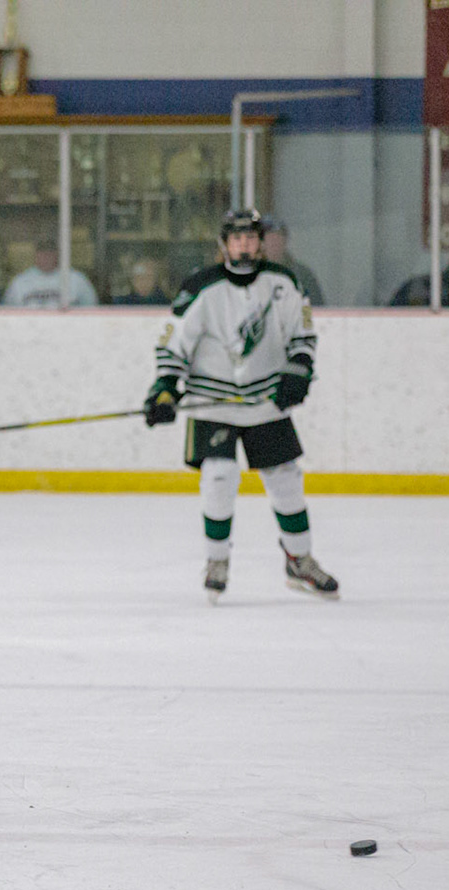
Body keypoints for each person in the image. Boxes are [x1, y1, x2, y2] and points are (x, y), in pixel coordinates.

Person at [145, 208, 338, 603]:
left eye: (251, 238)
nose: (244, 245)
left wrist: (298, 371)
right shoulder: (201, 287)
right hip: (212, 401)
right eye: (237, 238)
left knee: (285, 479)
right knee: (219, 475)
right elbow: (173, 343)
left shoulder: (283, 282)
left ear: (261, 243)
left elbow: (302, 335)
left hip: (264, 399)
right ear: (224, 244)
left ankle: (299, 560)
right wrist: (164, 388)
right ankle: (217, 561)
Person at [1, 238, 98, 307]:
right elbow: (8, 311)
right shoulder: (20, 282)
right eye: (42, 253)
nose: (46, 257)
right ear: (36, 255)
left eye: (50, 253)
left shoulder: (77, 279)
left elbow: (91, 308)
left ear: (57, 255)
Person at [260, 218, 325, 306]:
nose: (273, 243)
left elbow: (315, 308)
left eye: (278, 238)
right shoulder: (250, 274)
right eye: (269, 239)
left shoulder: (302, 275)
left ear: (285, 241)